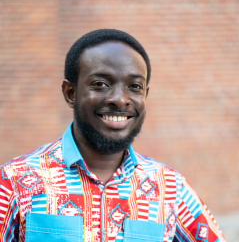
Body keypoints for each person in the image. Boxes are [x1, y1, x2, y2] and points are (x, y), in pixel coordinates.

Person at [0, 29, 226, 242]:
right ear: (71, 93)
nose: (120, 99)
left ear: (145, 95)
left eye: (134, 86)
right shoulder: (15, 181)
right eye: (100, 84)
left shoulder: (171, 188)